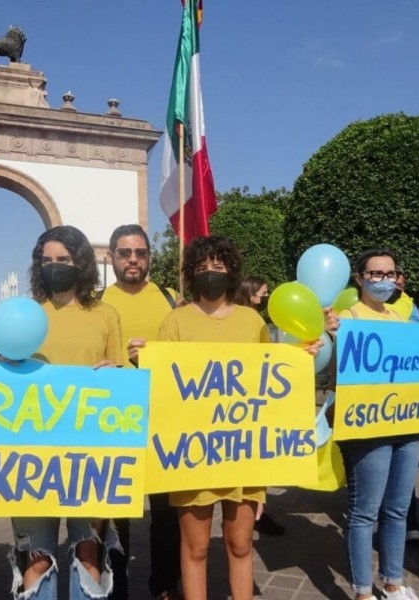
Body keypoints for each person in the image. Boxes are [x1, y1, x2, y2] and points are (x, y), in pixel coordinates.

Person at [153, 236, 324, 600]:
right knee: (195, 549)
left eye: (218, 266)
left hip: (243, 455)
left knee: (241, 545)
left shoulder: (251, 321)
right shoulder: (175, 322)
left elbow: (268, 383)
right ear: (190, 273)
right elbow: (163, 388)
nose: (210, 274)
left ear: (231, 271)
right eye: (202, 268)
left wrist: (299, 360)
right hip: (192, 456)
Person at [10, 225, 123, 600]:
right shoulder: (24, 315)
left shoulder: (106, 315)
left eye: (63, 259)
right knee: (38, 555)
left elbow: (120, 377)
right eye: (46, 261)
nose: (54, 266)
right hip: (34, 453)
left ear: (82, 264)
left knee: (89, 549)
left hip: (91, 451)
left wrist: (115, 374)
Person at [334, 248, 419, 600]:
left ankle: (393, 582)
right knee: (364, 512)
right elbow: (330, 365)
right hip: (367, 428)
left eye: (390, 274)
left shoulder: (402, 320)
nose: (384, 280)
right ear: (359, 278)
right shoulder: (346, 318)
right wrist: (329, 336)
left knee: (398, 509)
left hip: (406, 423)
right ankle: (361, 590)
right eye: (375, 274)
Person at [99, 224, 180, 600]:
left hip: (164, 419)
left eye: (140, 253)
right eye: (124, 252)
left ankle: (164, 584)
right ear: (110, 257)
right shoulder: (96, 302)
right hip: (114, 423)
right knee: (117, 513)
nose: (133, 259)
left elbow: (190, 356)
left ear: (149, 256)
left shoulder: (171, 298)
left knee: (166, 514)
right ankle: (116, 588)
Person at [235, 276, 286, 537]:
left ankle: (256, 511)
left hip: (254, 403)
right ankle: (252, 512)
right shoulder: (240, 319)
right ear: (250, 293)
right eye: (262, 294)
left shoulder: (255, 320)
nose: (265, 298)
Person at [386, 270, 419, 545]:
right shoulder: (357, 308)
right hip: (373, 398)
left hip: (405, 399)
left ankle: (409, 520)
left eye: (397, 278)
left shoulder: (411, 307)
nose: (393, 283)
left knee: (402, 465)